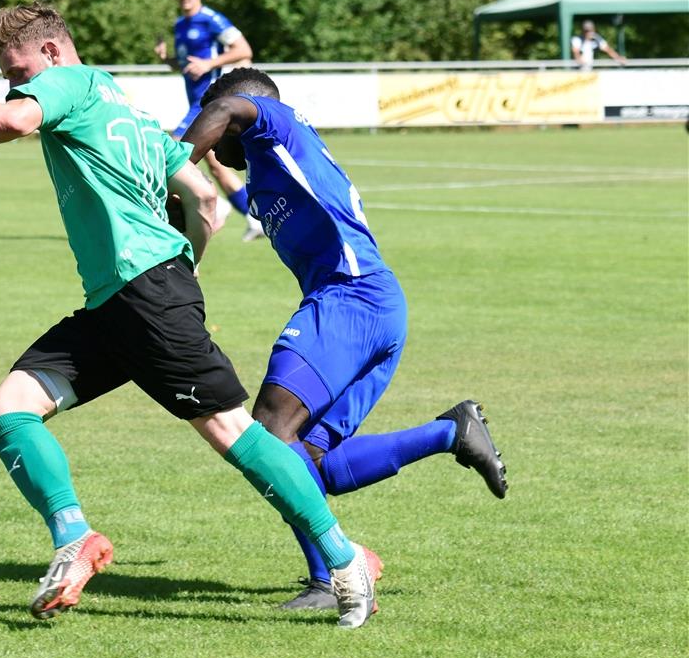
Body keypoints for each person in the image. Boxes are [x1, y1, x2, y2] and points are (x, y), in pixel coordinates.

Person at [0, 2, 379, 628]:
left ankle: (346, 563)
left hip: (145, 297)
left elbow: (16, 121)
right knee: (9, 409)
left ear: (50, 52)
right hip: (120, 301)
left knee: (234, 434)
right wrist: (187, 267)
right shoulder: (122, 103)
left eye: (17, 70)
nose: (14, 85)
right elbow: (205, 199)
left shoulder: (66, 84)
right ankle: (74, 538)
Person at [180, 67, 508, 610]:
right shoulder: (266, 168)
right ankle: (450, 432)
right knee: (308, 464)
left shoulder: (276, 125)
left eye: (218, 127)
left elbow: (228, 111)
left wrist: (170, 159)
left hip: (349, 298)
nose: (216, 137)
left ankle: (327, 579)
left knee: (267, 432)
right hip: (375, 307)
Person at [155, 0, 262, 242]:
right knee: (216, 166)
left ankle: (213, 206)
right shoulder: (181, 24)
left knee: (175, 150)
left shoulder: (212, 19)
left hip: (210, 102)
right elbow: (187, 67)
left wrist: (210, 64)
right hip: (195, 102)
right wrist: (167, 59)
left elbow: (244, 49)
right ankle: (252, 217)